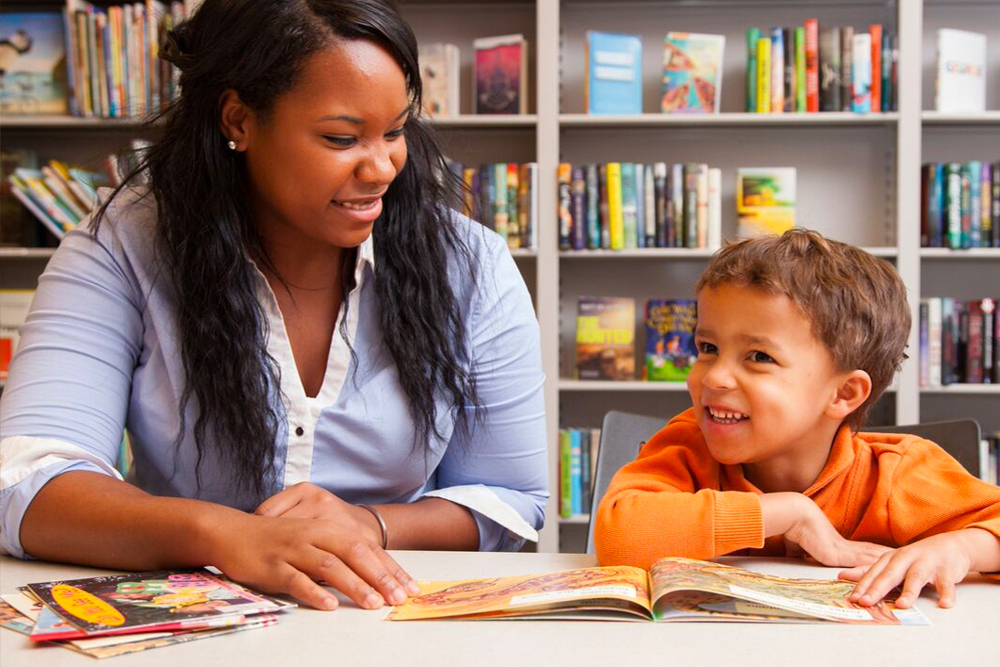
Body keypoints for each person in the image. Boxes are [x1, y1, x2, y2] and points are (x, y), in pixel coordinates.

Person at [0, 0, 548, 613]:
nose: (383, 167)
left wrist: (370, 526)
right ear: (239, 120)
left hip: (387, 624)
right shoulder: (124, 245)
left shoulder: (468, 264)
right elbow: (27, 479)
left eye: (395, 131)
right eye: (341, 138)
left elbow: (511, 497)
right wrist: (226, 535)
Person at [594, 229, 1000, 609]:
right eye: (708, 346)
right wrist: (790, 512)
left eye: (759, 357)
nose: (713, 376)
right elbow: (618, 536)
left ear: (843, 393)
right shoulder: (688, 444)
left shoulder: (897, 473)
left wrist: (959, 549)